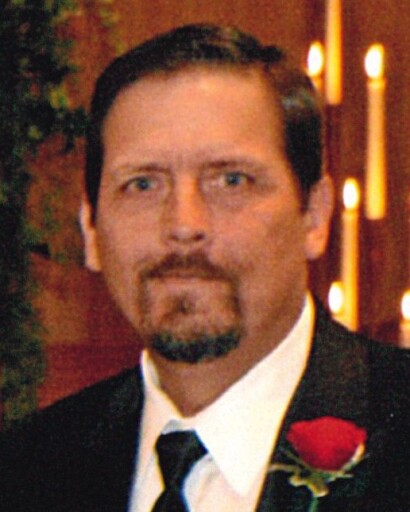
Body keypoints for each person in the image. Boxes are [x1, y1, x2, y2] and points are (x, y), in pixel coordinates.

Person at [1, 23, 409, 512]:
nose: (184, 224)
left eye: (231, 180)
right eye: (143, 184)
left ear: (315, 216)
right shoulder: (28, 470)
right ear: (90, 229)